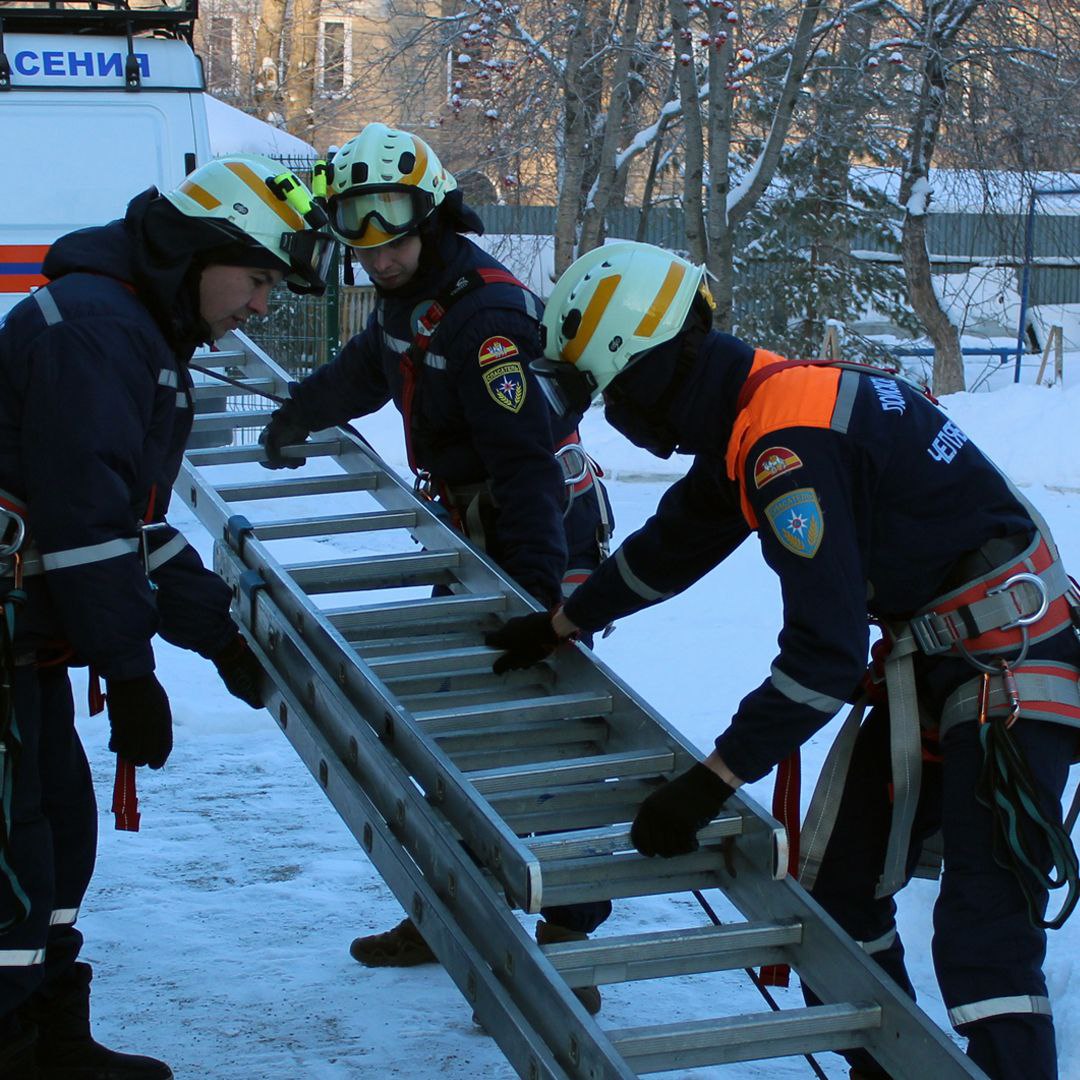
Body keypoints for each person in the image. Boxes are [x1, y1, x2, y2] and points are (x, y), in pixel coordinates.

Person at [486, 240, 1080, 1080]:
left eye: (608, 392)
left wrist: (712, 779)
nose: (612, 417)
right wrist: (561, 623)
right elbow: (673, 545)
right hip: (953, 659)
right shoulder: (764, 401)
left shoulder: (784, 445)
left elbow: (823, 660)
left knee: (986, 936)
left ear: (648, 369)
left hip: (1009, 670)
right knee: (838, 894)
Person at [257, 123, 614, 1011]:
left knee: (547, 735)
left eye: (392, 225)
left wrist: (536, 606)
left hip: (539, 539)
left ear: (433, 208)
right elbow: (366, 371)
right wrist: (297, 415)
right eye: (356, 229)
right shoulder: (409, 294)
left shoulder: (487, 317)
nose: (375, 251)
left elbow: (529, 471)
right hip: (472, 536)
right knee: (450, 727)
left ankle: (569, 937)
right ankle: (453, 903)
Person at [0, 154, 334, 1079]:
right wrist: (135, 672)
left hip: (23, 645)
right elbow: (84, 527)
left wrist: (216, 631)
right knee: (14, 857)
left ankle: (45, 1036)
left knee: (59, 835)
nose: (262, 307)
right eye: (260, 278)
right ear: (201, 251)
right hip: (9, 641)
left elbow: (133, 523)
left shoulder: (133, 331)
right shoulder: (100, 334)